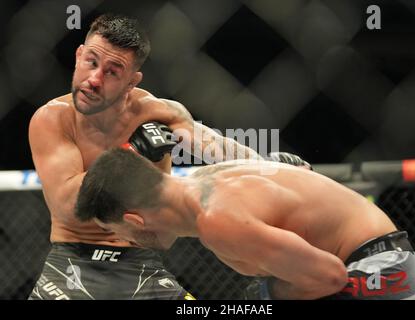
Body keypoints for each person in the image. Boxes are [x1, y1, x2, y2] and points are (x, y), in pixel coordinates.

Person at [28, 13, 267, 300]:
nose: (94, 79)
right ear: (79, 55)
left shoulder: (159, 113)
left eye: (112, 72)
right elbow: (68, 205)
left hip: (143, 265)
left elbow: (217, 147)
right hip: (72, 266)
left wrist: (271, 167)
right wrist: (133, 151)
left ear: (132, 82)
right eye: (91, 62)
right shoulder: (53, 119)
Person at [75, 148, 415, 300]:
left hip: (381, 280)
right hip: (395, 270)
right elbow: (298, 170)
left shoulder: (218, 220)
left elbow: (329, 277)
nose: (127, 242)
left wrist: (266, 294)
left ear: (133, 220)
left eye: (117, 233)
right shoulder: (214, 174)